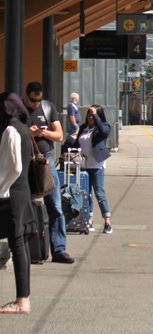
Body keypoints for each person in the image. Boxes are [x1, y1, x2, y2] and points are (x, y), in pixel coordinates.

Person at [24, 82, 72, 264]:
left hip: (45, 160)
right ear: (26, 96)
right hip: (25, 160)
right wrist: (28, 133)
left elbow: (59, 135)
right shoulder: (20, 110)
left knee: (55, 204)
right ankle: (31, 250)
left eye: (38, 100)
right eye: (32, 100)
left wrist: (42, 133)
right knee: (26, 204)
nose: (36, 103)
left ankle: (59, 250)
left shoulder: (47, 108)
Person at [1, 92, 37, 314]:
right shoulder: (23, 128)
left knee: (17, 245)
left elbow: (14, 167)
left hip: (11, 193)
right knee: (20, 244)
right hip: (22, 192)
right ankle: (23, 299)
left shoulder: (11, 130)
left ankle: (22, 301)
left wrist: (2, 186)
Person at [76, 104, 113, 234]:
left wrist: (96, 115)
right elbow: (76, 143)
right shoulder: (84, 128)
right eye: (89, 115)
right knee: (86, 194)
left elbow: (104, 132)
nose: (90, 117)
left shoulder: (104, 126)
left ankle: (107, 221)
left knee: (99, 193)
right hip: (84, 166)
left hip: (97, 165)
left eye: (93, 115)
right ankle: (89, 220)